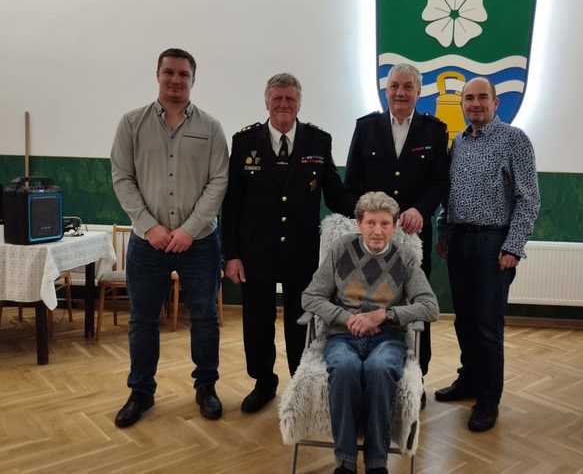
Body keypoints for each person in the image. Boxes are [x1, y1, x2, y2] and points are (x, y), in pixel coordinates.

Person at [222, 73, 355, 413]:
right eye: (277, 98)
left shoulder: (318, 140)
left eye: (290, 99)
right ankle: (263, 383)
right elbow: (232, 203)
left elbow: (335, 193)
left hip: (301, 251)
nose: (283, 104)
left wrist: (367, 210)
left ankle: (300, 382)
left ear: (299, 102)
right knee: (257, 321)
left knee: (301, 320)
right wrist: (231, 255)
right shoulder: (244, 141)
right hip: (256, 252)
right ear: (266, 101)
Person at [110, 48, 229, 427]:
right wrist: (150, 226)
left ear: (193, 79)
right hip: (148, 242)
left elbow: (218, 182)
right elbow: (122, 178)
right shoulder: (132, 124)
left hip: (200, 242)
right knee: (143, 320)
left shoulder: (211, 128)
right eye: (169, 73)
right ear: (158, 75)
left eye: (183, 74)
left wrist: (188, 230)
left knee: (205, 318)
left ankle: (206, 388)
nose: (176, 80)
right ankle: (141, 392)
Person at [302, 191, 439, 474]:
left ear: (395, 225)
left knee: (379, 369)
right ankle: (345, 461)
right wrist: (347, 318)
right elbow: (311, 297)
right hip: (343, 336)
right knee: (345, 368)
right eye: (371, 223)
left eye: (385, 223)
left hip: (387, 337)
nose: (377, 231)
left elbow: (430, 307)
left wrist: (385, 315)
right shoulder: (341, 249)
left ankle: (377, 463)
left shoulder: (405, 258)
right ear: (359, 224)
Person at [435, 76, 540, 432]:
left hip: (493, 244)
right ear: (462, 104)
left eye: (482, 97)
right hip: (459, 242)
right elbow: (449, 194)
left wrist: (513, 246)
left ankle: (488, 399)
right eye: (469, 98)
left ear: (496, 103)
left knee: (487, 326)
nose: (475, 104)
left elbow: (529, 199)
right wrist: (444, 233)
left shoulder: (515, 139)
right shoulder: (459, 143)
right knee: (464, 320)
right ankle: (469, 380)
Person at [345, 63, 448, 383]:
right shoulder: (366, 127)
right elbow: (353, 182)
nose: (400, 93)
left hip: (414, 236)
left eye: (407, 87)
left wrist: (421, 209)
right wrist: (368, 217)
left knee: (416, 303)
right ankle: (369, 372)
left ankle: (417, 377)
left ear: (418, 91)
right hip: (373, 237)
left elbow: (440, 182)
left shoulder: (434, 130)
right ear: (386, 90)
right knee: (370, 299)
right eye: (394, 87)